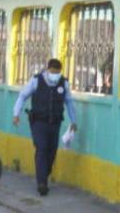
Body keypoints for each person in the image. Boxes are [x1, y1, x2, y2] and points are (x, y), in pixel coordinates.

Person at [12, 58, 77, 196]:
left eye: (58, 72)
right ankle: (42, 183)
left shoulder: (63, 83)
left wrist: (73, 121)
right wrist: (16, 114)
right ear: (48, 69)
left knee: (52, 151)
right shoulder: (36, 80)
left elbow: (69, 103)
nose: (56, 75)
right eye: (54, 72)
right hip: (39, 122)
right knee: (41, 149)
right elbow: (22, 96)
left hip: (55, 123)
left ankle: (44, 174)